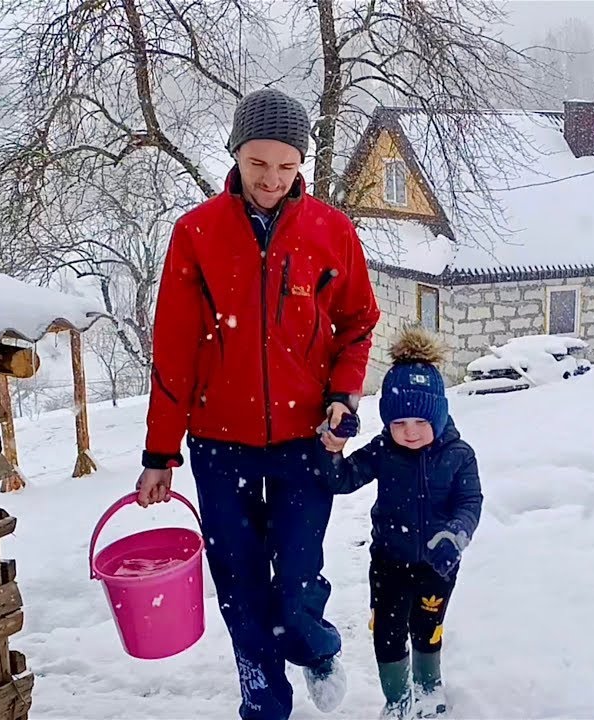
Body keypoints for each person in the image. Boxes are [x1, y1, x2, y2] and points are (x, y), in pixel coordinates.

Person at [134, 87, 380, 720]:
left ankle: (316, 646)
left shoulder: (331, 231)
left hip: (304, 442)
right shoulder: (197, 233)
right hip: (220, 446)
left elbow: (357, 324)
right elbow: (175, 350)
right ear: (235, 155)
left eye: (286, 165)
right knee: (241, 590)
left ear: (302, 163)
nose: (271, 179)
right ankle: (263, 704)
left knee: (295, 588)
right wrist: (160, 453)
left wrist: (342, 396)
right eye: (257, 164)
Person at [324, 327, 483, 720]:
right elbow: (344, 479)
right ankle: (397, 699)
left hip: (437, 565)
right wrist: (333, 451)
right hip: (390, 564)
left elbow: (470, 501)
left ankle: (428, 687)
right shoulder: (384, 450)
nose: (409, 432)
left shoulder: (459, 455)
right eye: (399, 422)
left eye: (419, 421)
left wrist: (455, 535)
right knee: (388, 633)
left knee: (428, 628)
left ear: (438, 416)